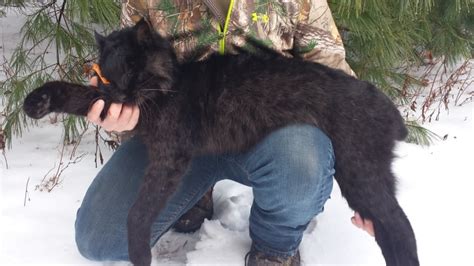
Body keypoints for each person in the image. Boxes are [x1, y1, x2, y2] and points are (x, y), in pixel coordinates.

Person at [75, 1, 374, 265]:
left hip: (270, 128)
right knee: (101, 237)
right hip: (180, 132)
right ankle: (196, 192)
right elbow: (125, 62)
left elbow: (334, 76)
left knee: (300, 172)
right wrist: (116, 106)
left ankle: (275, 245)